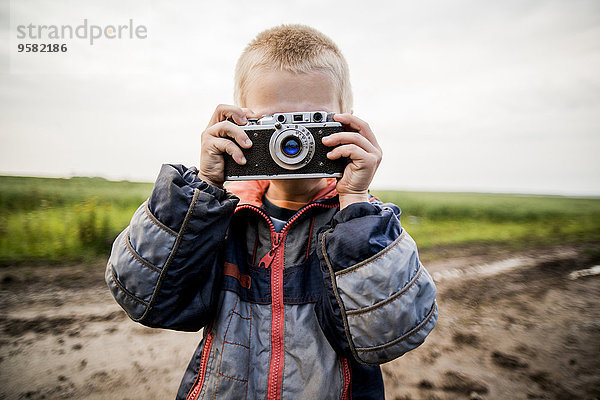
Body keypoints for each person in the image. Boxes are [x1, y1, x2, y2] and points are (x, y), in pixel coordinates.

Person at [106, 24, 438, 400]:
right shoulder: (219, 219)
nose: (291, 142)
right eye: (273, 125)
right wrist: (204, 188)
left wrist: (357, 201)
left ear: (346, 123)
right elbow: (146, 300)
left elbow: (389, 333)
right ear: (238, 124)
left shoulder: (364, 227)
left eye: (311, 123)